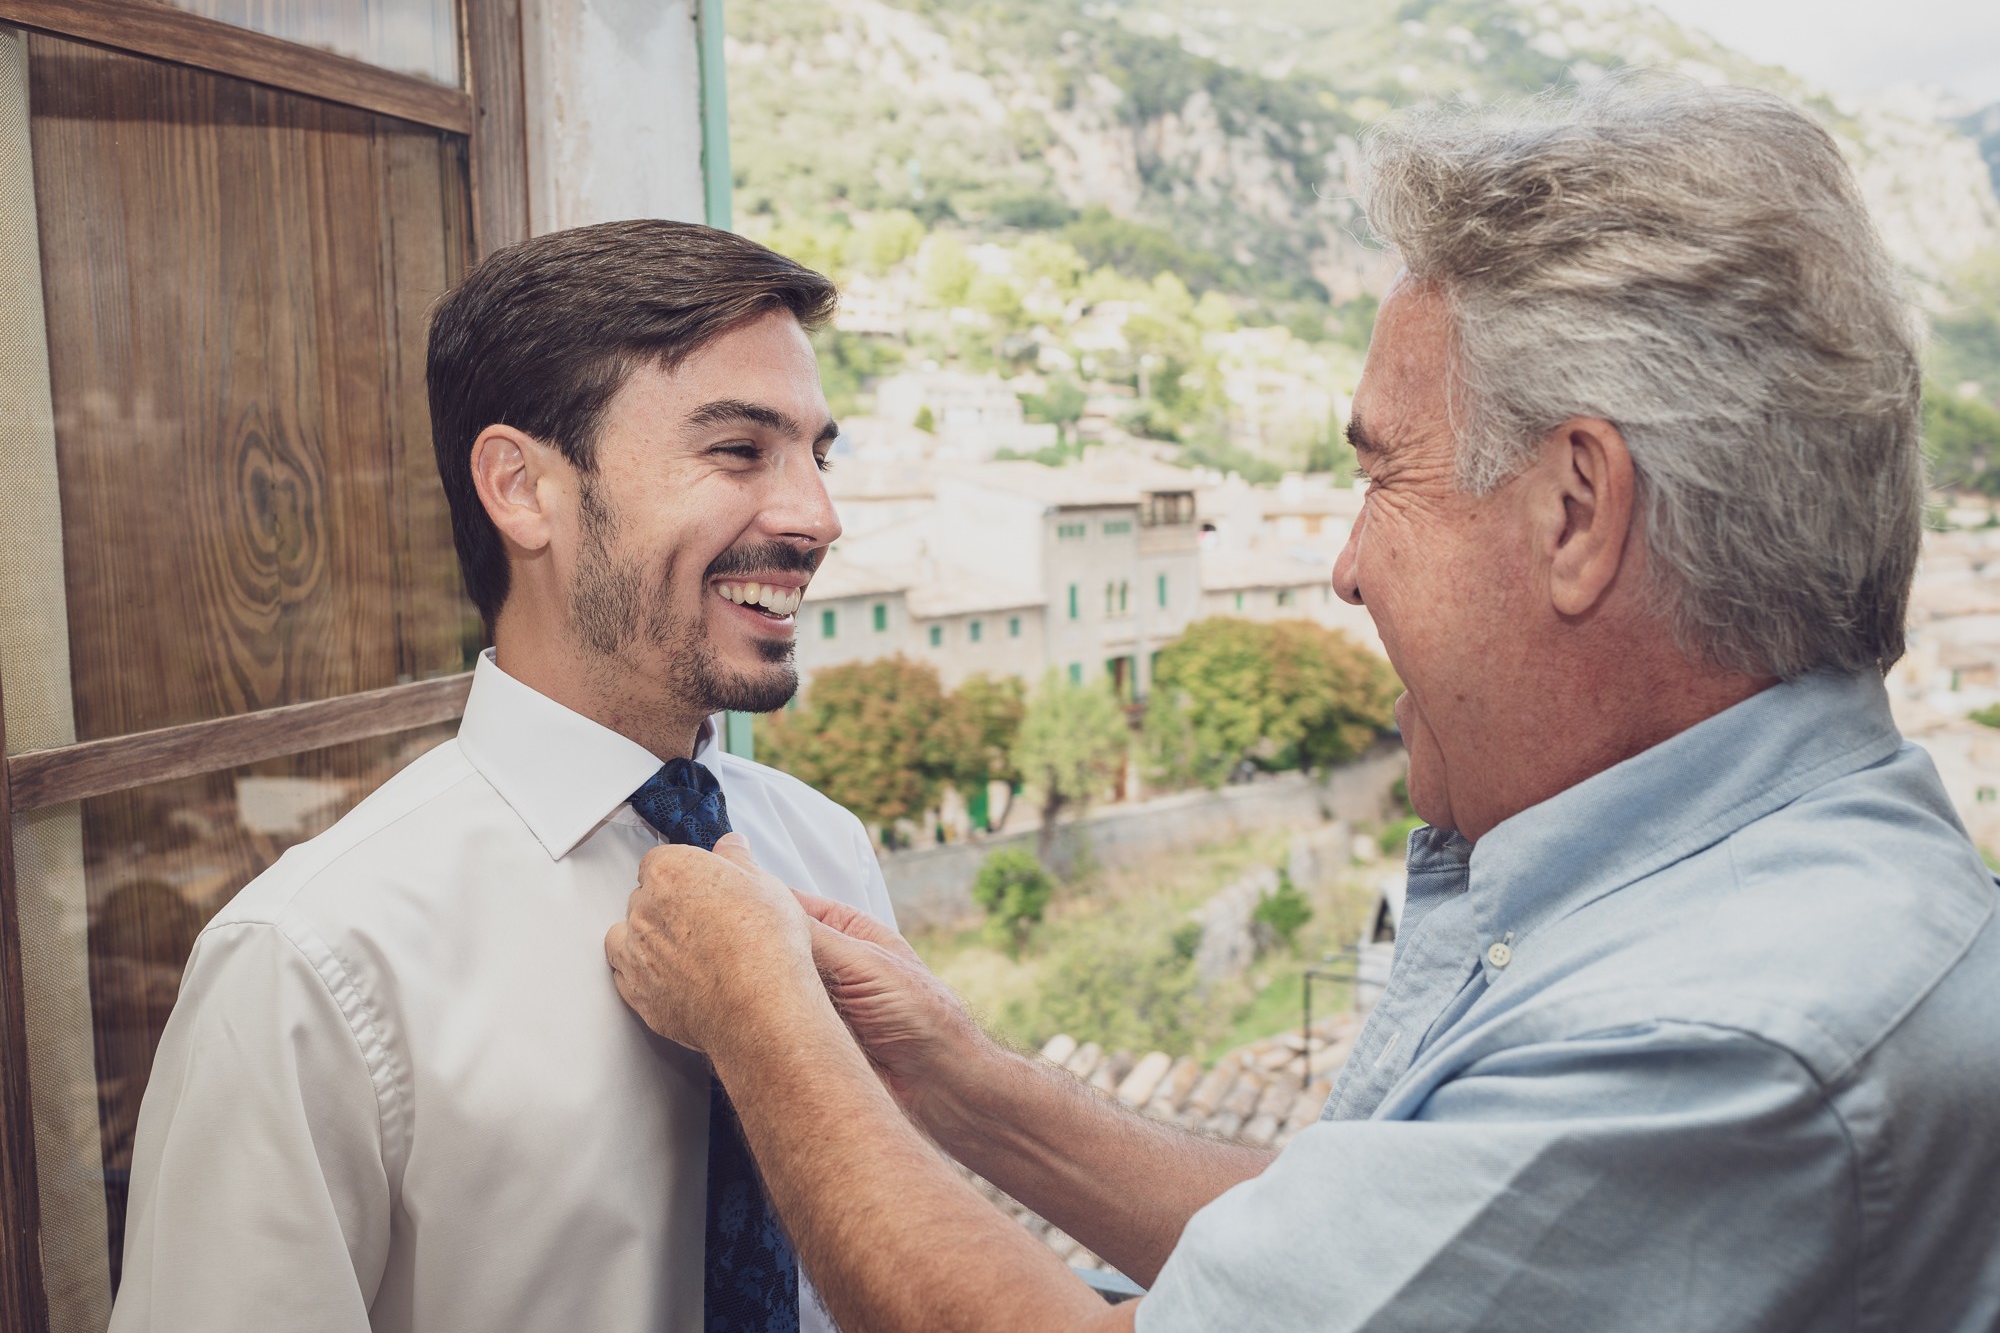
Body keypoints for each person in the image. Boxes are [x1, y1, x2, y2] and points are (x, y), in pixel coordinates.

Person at [605, 78, 2000, 1333]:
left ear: (1579, 506)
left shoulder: (1724, 1035)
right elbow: (1365, 1262)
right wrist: (954, 1074)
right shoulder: (1784, 892)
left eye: (1383, 473)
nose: (1343, 564)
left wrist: (766, 1026)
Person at [111, 220, 889, 1332]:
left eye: (818, 452)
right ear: (522, 489)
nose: (818, 515)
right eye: (737, 450)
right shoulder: (309, 966)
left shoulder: (828, 857)